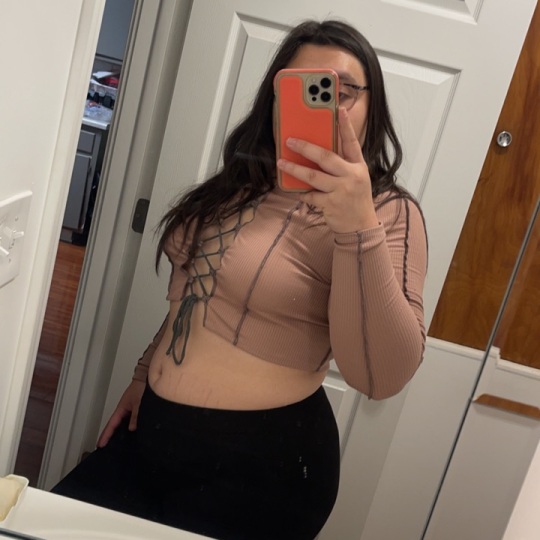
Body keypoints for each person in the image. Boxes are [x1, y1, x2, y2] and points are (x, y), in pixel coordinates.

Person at [52, 19, 427, 540]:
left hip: (263, 466)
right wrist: (142, 375)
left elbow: (381, 378)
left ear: (372, 106)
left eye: (342, 91)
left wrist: (357, 226)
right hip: (153, 430)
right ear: (276, 97)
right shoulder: (239, 182)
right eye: (302, 87)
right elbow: (193, 298)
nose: (327, 105)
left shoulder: (388, 211)